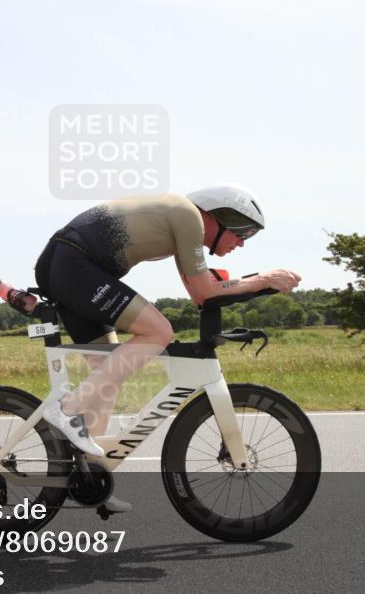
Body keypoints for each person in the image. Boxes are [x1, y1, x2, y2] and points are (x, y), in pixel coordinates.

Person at [33, 185, 301, 511]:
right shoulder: (188, 216)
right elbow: (206, 291)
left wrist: (252, 286)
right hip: (74, 262)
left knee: (108, 375)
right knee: (159, 331)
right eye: (243, 232)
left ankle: (91, 476)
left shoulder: (182, 224)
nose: (242, 242)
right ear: (220, 216)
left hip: (68, 263)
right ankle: (68, 411)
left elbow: (201, 295)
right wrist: (263, 279)